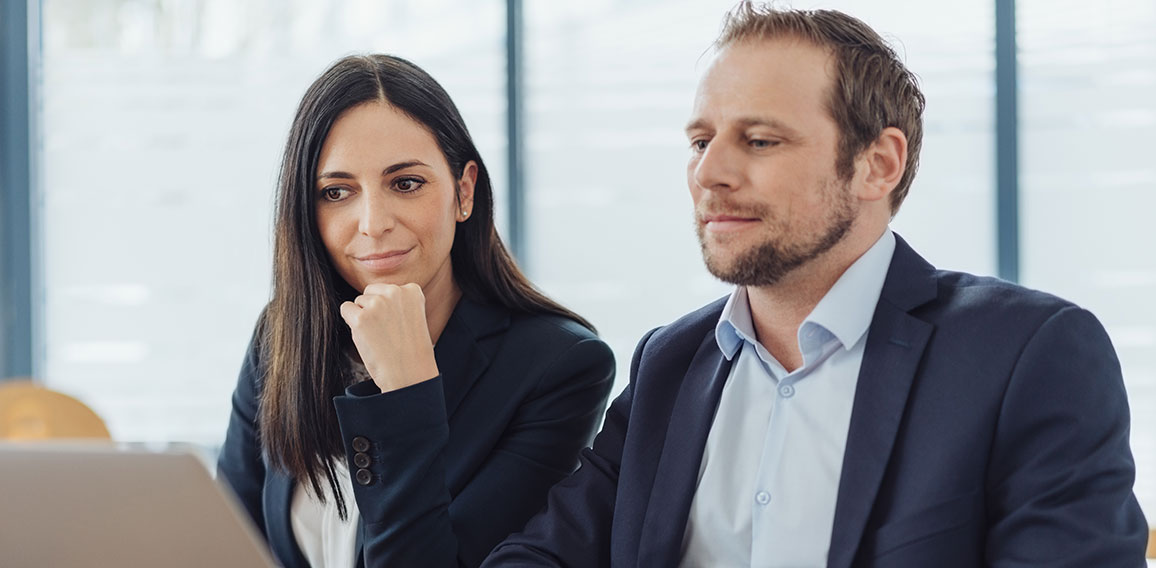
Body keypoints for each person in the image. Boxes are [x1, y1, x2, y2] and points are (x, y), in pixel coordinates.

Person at [484, 4, 1148, 567]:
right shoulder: (670, 362)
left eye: (761, 141)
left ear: (876, 165)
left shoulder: (1027, 354)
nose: (709, 173)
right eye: (700, 140)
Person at [217, 54, 615, 568]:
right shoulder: (281, 335)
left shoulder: (559, 368)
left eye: (405, 183)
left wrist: (407, 392)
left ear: (463, 191)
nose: (373, 222)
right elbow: (226, 537)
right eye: (337, 192)